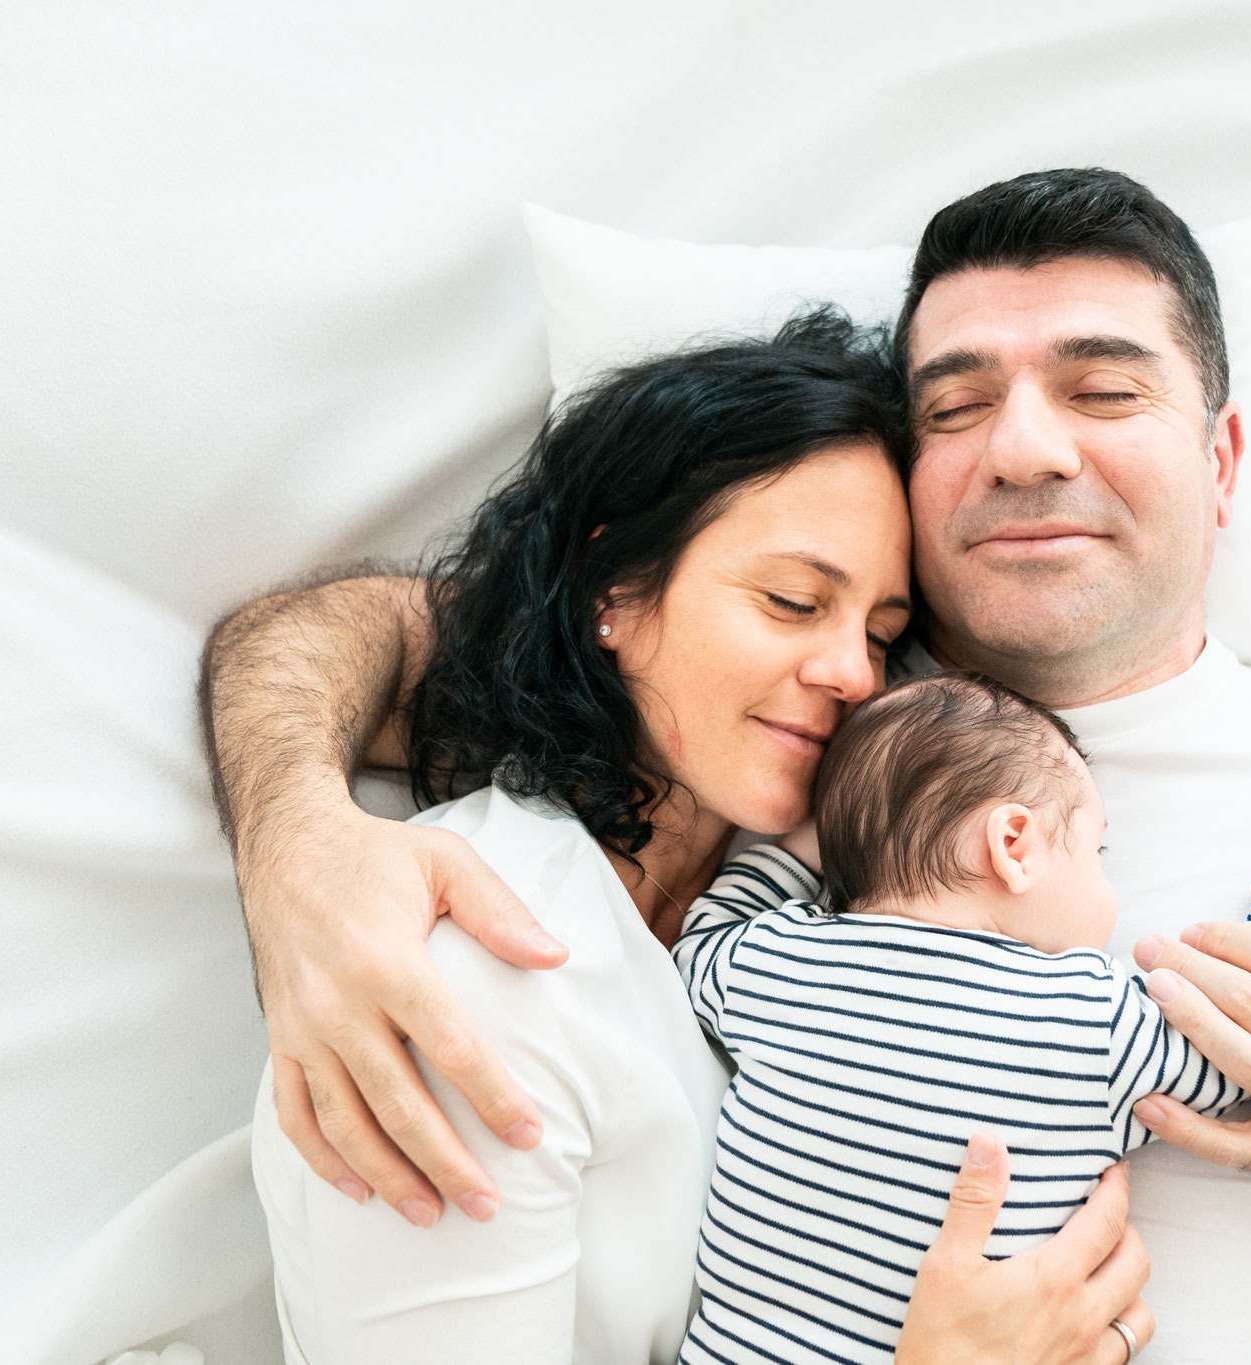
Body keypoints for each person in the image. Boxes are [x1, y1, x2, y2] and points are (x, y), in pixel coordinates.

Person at [201, 168, 1251, 1363]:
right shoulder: (838, 739)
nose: (1027, 447)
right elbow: (374, 628)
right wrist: (294, 834)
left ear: (1226, 463)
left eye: (1103, 389)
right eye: (959, 405)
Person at [239, 310, 1153, 1364]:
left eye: (881, 635)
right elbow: (340, 632)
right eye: (791, 599)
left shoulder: (811, 892)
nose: (855, 674)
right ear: (614, 592)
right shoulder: (469, 982)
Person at [671, 671, 1251, 1364]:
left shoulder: (777, 961)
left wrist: (810, 844)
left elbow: (698, 941)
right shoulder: (1093, 1020)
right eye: (1095, 850)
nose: (1106, 879)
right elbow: (1248, 1049)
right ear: (1014, 844)